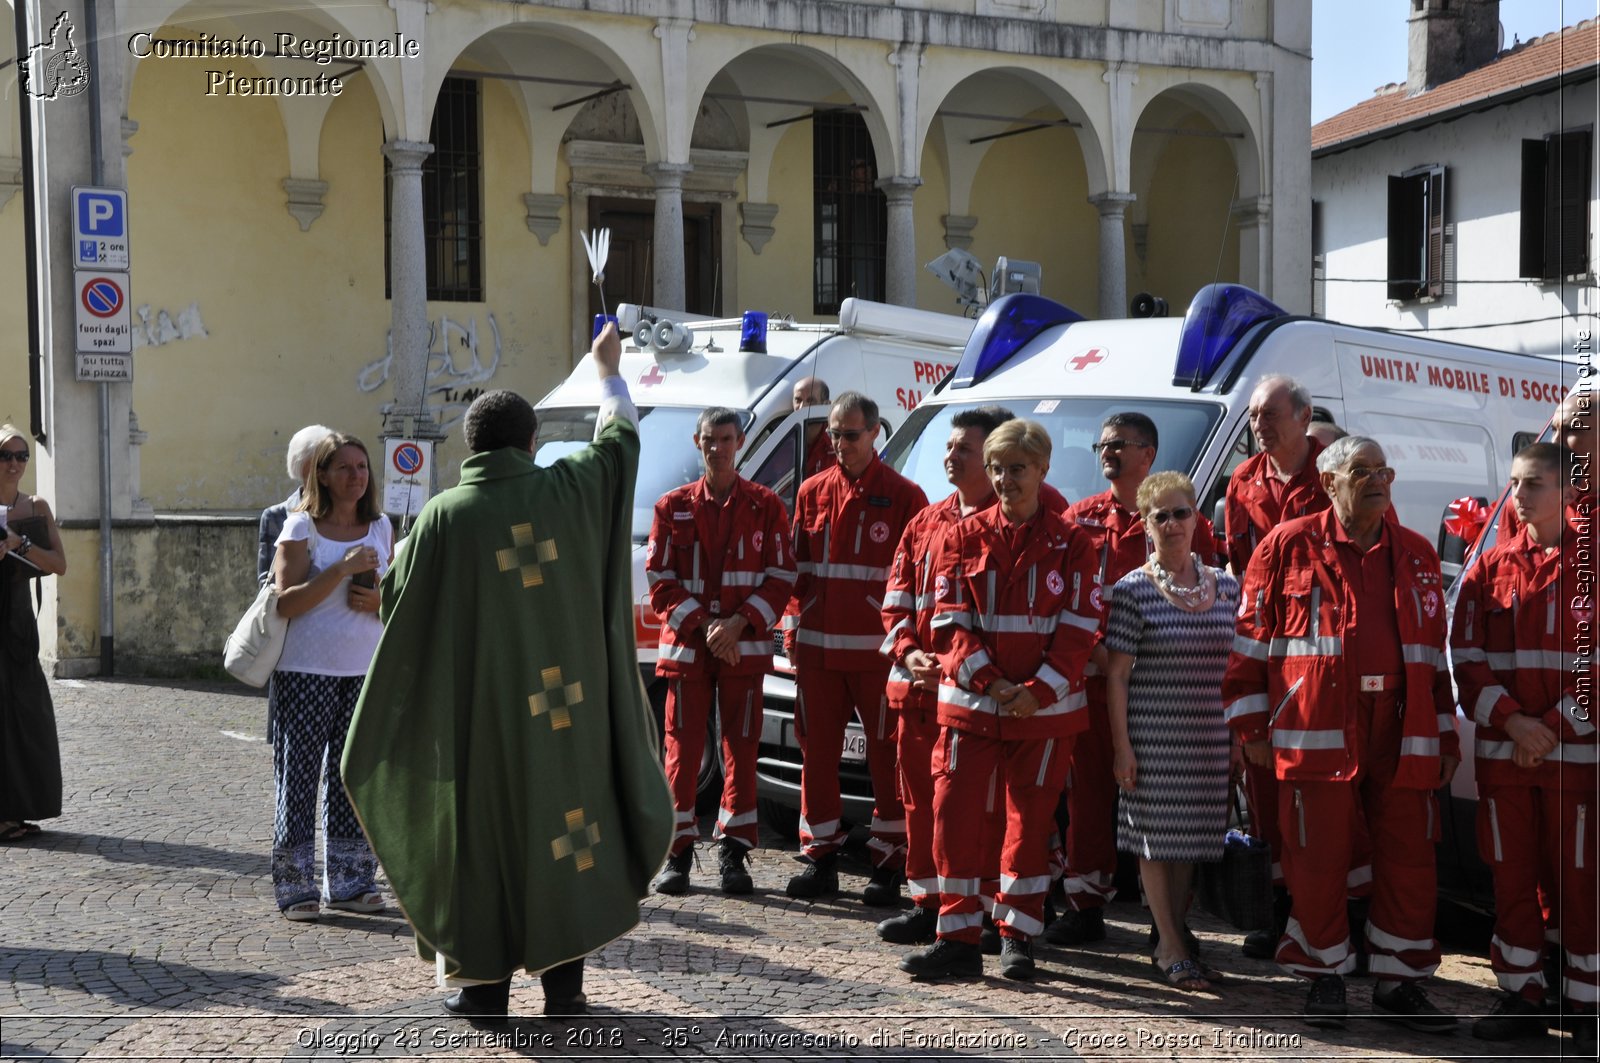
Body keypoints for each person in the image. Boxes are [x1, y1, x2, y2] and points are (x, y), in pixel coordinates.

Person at [341, 325, 673, 1023]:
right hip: (566, 721)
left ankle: (484, 988)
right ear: (531, 442)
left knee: (482, 840)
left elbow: (399, 607)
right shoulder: (569, 491)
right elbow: (619, 446)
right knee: (568, 833)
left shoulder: (440, 518)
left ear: (471, 445)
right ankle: (565, 990)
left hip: (480, 726)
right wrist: (607, 371)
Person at [1223, 435, 1459, 1031]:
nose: (1378, 480)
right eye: (1363, 471)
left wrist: (1446, 734)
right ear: (1330, 483)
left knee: (1409, 859)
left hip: (1402, 728)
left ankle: (1399, 982)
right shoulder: (1286, 545)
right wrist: (1251, 724)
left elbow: (1432, 651)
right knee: (1317, 858)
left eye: (1384, 471)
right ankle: (1323, 976)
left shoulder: (1416, 552)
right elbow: (1249, 646)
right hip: (1317, 727)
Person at [900, 419, 1100, 981]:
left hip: (1043, 715)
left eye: (1017, 468)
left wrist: (1037, 692)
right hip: (972, 706)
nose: (1005, 479)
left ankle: (1017, 938)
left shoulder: (1073, 542)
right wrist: (992, 684)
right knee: (953, 818)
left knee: (1028, 827)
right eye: (997, 469)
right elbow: (947, 623)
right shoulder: (958, 538)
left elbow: (1081, 627)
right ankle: (958, 938)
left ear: (1042, 469)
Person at [1050, 412, 1217, 948]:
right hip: (1096, 681)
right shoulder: (1079, 519)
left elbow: (1203, 599)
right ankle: (1085, 902)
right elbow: (1066, 598)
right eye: (1101, 444)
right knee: (1090, 795)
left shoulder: (1183, 516)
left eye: (1117, 444)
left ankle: (1166, 921)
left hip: (1163, 692)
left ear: (1148, 452)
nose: (1106, 452)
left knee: (1165, 801)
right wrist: (1095, 653)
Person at [1452, 443, 1595, 1048]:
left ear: (1569, 493)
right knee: (1510, 880)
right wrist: (1514, 724)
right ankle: (1521, 997)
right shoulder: (1493, 566)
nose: (1520, 496)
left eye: (1533, 483)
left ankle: (1587, 1007)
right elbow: (1466, 657)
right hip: (1507, 760)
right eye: (1514, 484)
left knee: (1582, 883)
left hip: (1575, 763)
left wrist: (1550, 728)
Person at [782, 391, 927, 903]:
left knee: (886, 762)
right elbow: (795, 574)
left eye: (850, 434)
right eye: (834, 435)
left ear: (874, 433)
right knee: (816, 757)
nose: (839, 444)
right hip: (819, 656)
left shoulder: (906, 496)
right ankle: (819, 857)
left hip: (876, 657)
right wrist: (793, 628)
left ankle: (889, 865)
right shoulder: (812, 492)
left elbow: (915, 582)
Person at [877, 406, 1012, 945]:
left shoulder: (1015, 522)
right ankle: (927, 902)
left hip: (974, 700)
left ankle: (983, 908)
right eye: (950, 447)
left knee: (983, 808)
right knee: (918, 802)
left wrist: (963, 670)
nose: (951, 456)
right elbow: (894, 604)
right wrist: (909, 655)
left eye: (965, 449)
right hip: (917, 694)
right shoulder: (924, 523)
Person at [646, 406, 794, 895]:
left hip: (741, 649)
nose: (718, 447)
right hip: (691, 649)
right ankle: (678, 854)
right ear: (698, 442)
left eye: (726, 439)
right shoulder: (672, 506)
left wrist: (738, 623)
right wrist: (710, 626)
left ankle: (735, 853)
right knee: (682, 754)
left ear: (741, 442)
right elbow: (659, 581)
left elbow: (781, 578)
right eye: (710, 439)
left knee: (741, 750)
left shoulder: (766, 506)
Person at [1103, 471, 1238, 990]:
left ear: (1198, 518)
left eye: (1182, 512)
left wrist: (1238, 738)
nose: (1174, 523)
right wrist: (1122, 747)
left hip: (1210, 736)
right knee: (1156, 843)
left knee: (1193, 844)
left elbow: (1237, 666)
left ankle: (1171, 935)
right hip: (1152, 736)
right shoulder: (1132, 589)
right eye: (1161, 515)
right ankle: (1172, 947)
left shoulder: (1226, 585)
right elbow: (1115, 674)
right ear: (1146, 524)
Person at [1223, 375, 1330, 959]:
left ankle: (1332, 919)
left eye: (1269, 413)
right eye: (1255, 415)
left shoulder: (1333, 472)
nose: (1259, 423)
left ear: (1304, 415)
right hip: (1263, 651)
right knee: (1264, 789)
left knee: (1320, 796)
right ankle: (1279, 913)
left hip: (1322, 656)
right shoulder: (1242, 482)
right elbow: (1240, 571)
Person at [268, 432, 392, 922]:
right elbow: (286, 601)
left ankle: (349, 881)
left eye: (362, 467)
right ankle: (296, 886)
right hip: (306, 670)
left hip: (363, 669)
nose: (356, 476)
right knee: (298, 779)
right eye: (344, 468)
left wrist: (381, 600)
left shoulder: (380, 526)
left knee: (353, 777)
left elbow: (394, 590)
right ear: (321, 474)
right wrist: (340, 570)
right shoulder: (301, 527)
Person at [0, 425, 67, 842]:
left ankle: (19, 808)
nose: (14, 464)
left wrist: (17, 544)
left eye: (22, 456)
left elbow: (59, 564)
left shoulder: (35, 507)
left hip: (18, 623)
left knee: (27, 714)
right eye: (5, 456)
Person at [258, 424, 333, 584]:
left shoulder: (353, 514)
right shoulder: (276, 516)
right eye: (316, 467)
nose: (322, 474)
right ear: (301, 468)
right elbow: (268, 582)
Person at [793, 376, 834, 479]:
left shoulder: (836, 445)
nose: (802, 407)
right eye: (798, 400)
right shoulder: (783, 441)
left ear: (826, 405)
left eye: (810, 401)